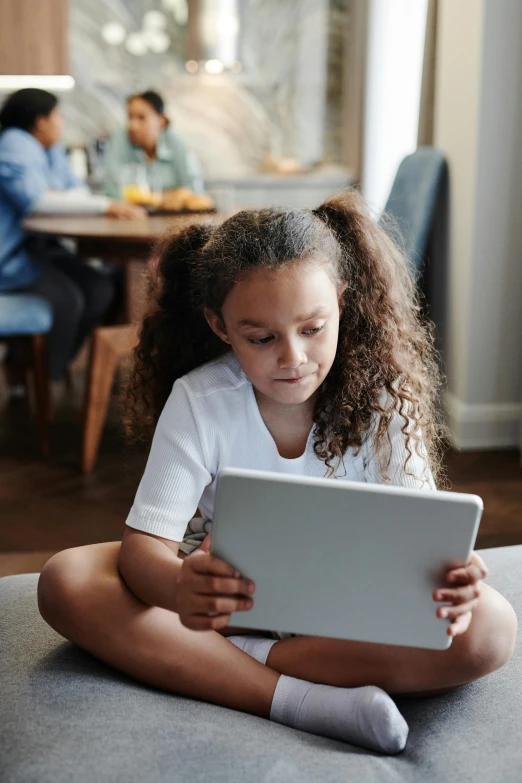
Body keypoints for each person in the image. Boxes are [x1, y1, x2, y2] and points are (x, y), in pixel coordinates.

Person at [37, 193, 517, 754]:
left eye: (313, 328)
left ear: (342, 302)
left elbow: (422, 532)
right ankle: (305, 702)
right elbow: (145, 547)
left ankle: (243, 666)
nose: (292, 357)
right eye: (261, 338)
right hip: (224, 601)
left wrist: (450, 579)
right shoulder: (200, 399)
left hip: (340, 611)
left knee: (489, 629)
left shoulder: (386, 397)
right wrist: (178, 586)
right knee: (66, 579)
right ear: (220, 326)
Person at [0, 88, 145, 384]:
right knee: (68, 299)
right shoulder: (16, 143)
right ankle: (41, 379)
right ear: (41, 121)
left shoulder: (47, 147)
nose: (62, 122)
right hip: (10, 259)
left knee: (99, 289)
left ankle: (45, 367)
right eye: (58, 116)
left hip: (34, 251)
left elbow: (74, 189)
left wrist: (58, 196)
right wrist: (105, 205)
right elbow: (38, 202)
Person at [103, 90, 204, 203]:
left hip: (173, 218)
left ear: (161, 121)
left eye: (141, 118)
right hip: (133, 217)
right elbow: (109, 191)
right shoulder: (120, 138)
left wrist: (152, 199)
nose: (132, 126)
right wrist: (166, 197)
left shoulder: (175, 142)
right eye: (130, 117)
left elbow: (195, 190)